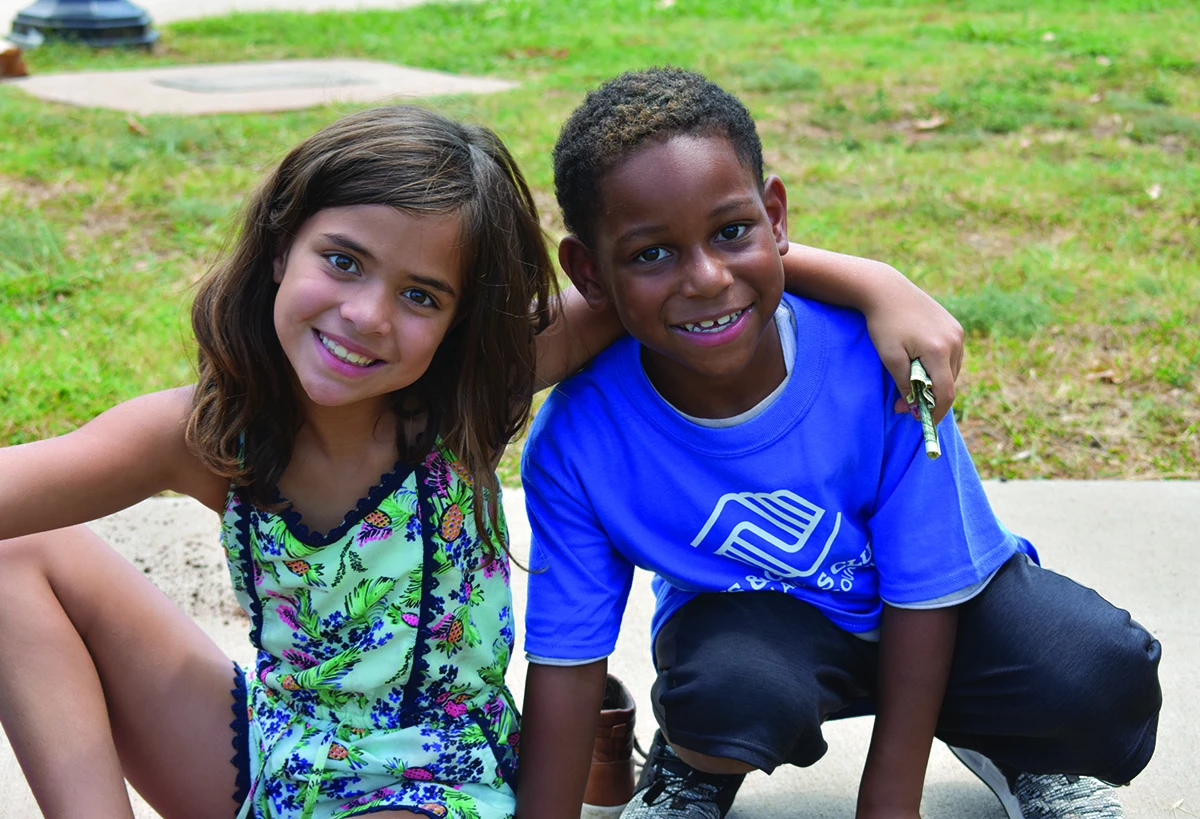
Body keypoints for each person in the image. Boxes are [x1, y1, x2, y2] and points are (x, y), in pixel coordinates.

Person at [0, 103, 963, 819]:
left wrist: (879, 284)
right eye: (342, 260)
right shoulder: (206, 433)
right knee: (17, 564)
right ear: (281, 245)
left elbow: (679, 277)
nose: (369, 315)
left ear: (461, 318)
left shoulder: (464, 400)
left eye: (421, 295)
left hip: (436, 780)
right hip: (275, 755)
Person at [517, 67, 1163, 819]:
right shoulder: (577, 441)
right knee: (726, 688)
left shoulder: (881, 360)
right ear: (587, 272)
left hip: (947, 607)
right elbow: (567, 654)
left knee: (1095, 671)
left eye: (731, 232)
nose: (705, 277)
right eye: (650, 254)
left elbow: (926, 589)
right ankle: (694, 763)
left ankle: (1021, 748)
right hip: (760, 624)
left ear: (776, 216)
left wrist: (889, 800)